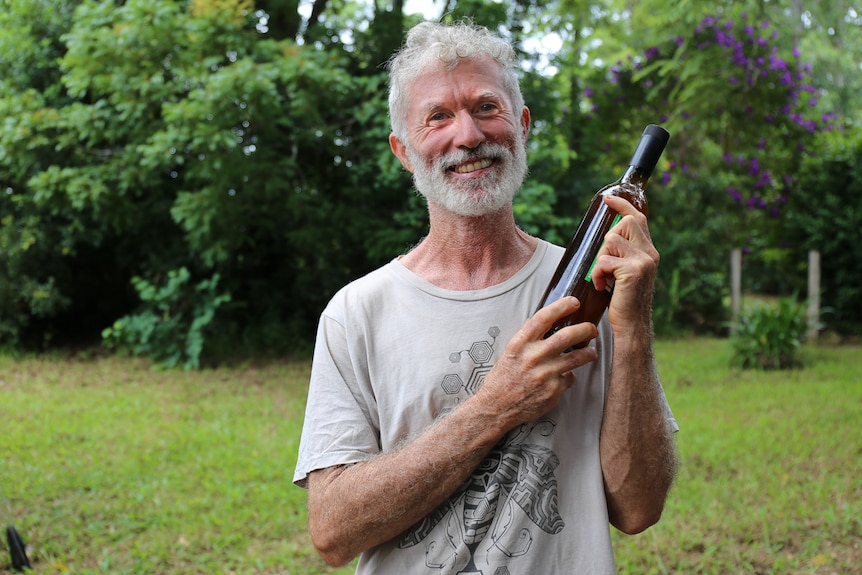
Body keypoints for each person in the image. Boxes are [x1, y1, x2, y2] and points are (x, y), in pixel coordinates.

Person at [293, 20, 679, 574]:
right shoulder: (357, 314)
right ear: (403, 151)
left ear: (521, 126)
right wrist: (496, 404)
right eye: (438, 117)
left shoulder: (596, 290)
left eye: (486, 108)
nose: (468, 135)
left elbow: (638, 507)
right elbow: (332, 533)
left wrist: (635, 325)